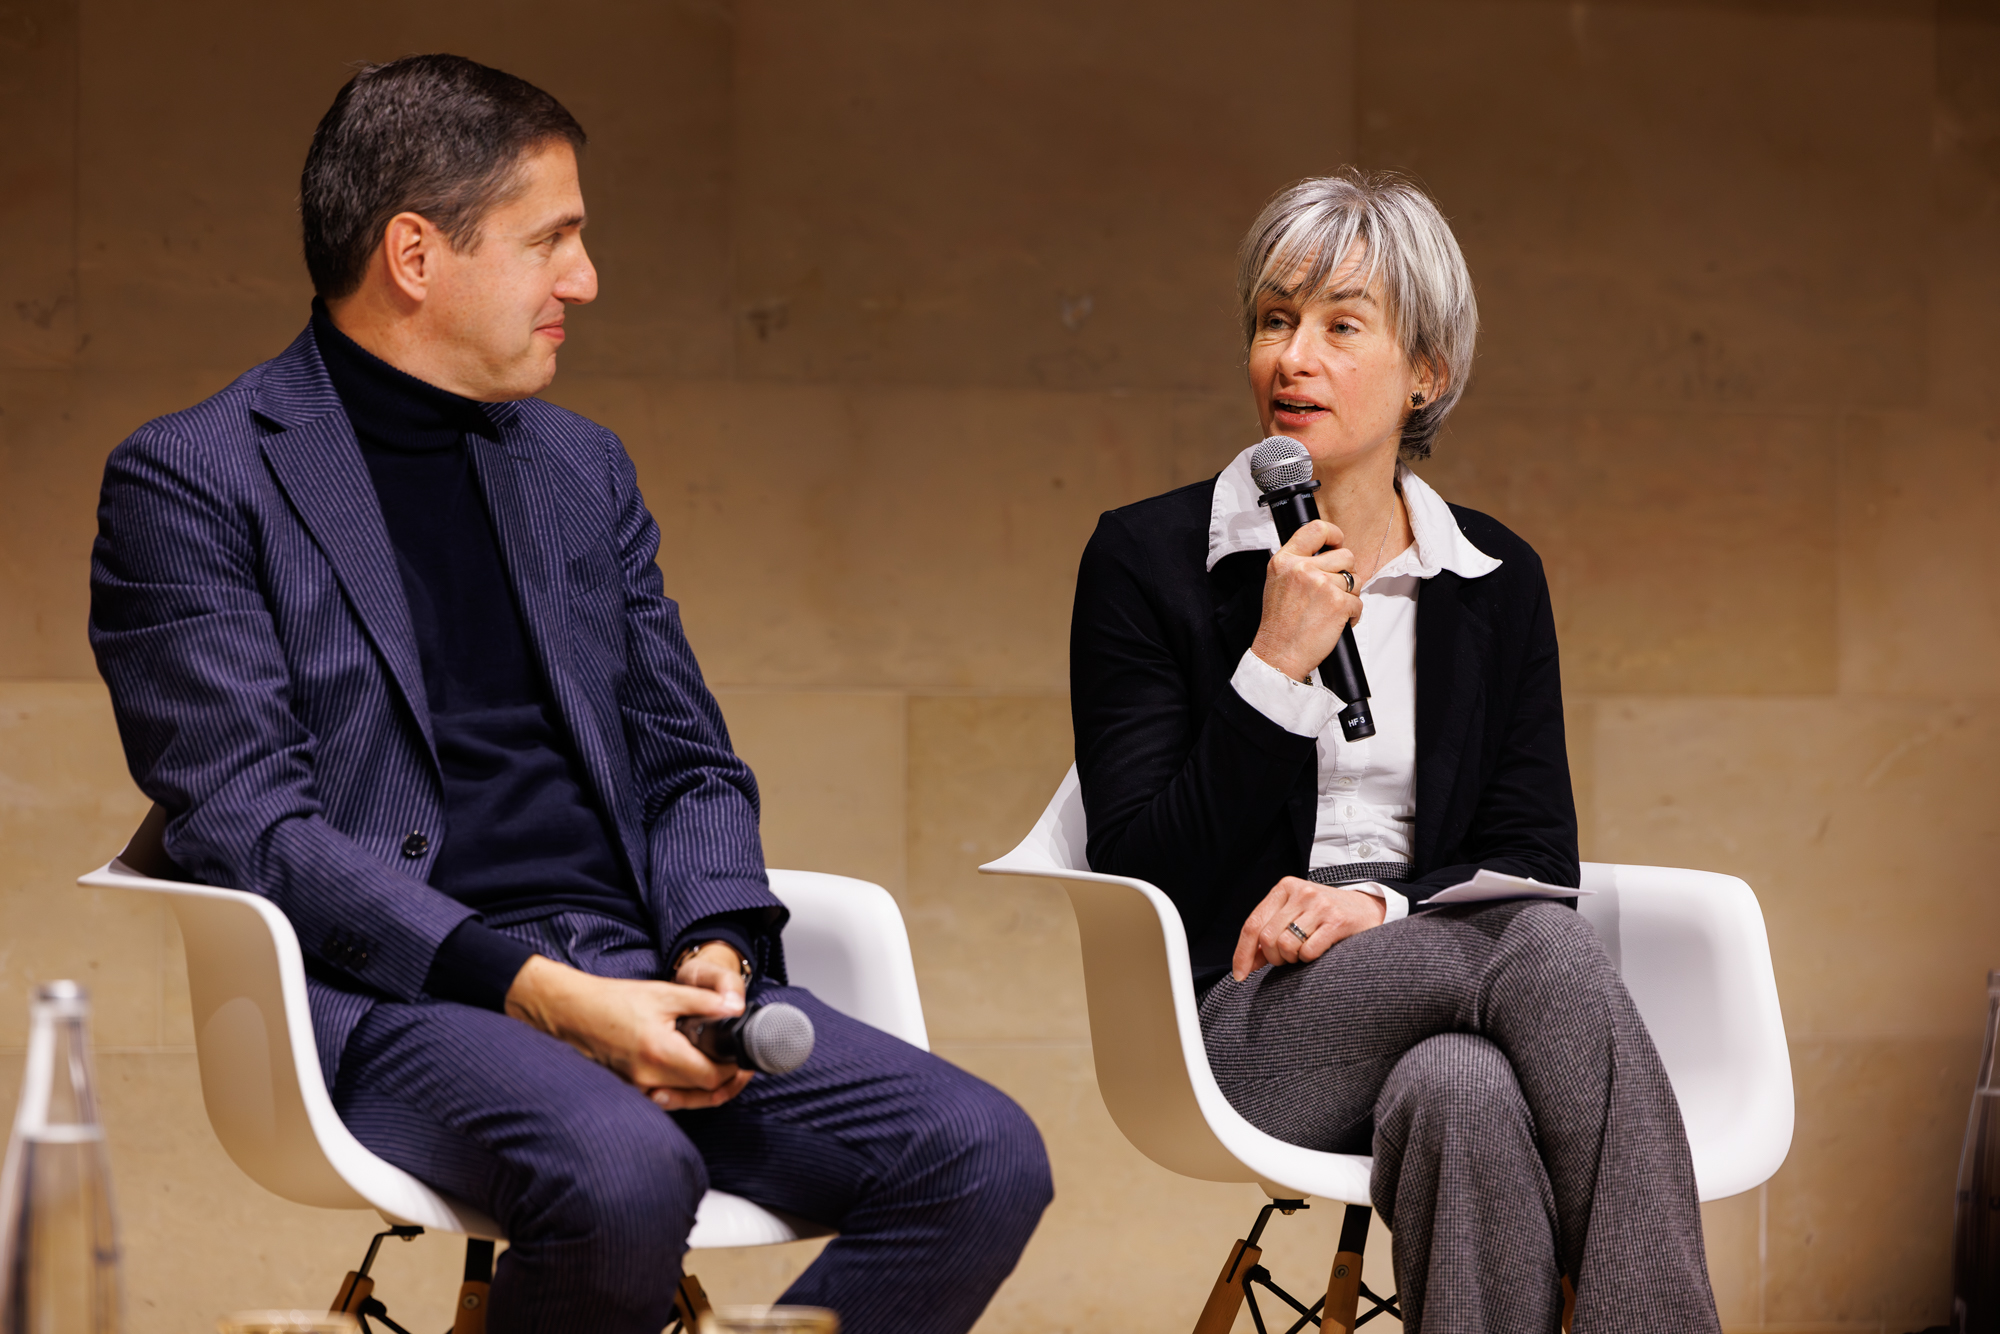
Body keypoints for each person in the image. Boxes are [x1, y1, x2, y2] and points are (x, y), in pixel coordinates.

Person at [89, 54, 1049, 1334]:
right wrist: (543, 991)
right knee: (621, 1169)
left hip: (639, 963)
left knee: (979, 1153)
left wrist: (713, 942)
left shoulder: (577, 467)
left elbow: (686, 759)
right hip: (403, 995)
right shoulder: (193, 479)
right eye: (552, 238)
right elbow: (252, 827)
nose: (584, 279)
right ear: (415, 254)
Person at [1068, 172, 1720, 1333]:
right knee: (1543, 947)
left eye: (1339, 326)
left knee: (1460, 1091)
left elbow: (1532, 852)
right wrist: (1272, 662)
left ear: (1425, 370)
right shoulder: (1146, 559)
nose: (1291, 358)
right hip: (1244, 1018)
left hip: (1427, 985)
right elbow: (1136, 865)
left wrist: (1372, 905)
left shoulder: (1492, 578)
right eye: (1273, 320)